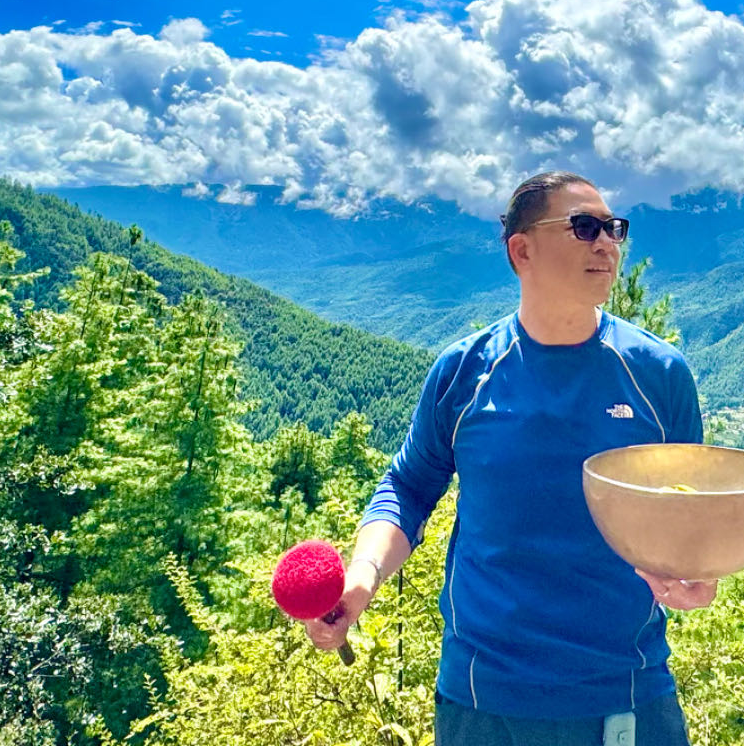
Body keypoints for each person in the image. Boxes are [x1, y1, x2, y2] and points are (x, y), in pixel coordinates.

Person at [305, 171, 712, 745]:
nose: (607, 243)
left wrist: (700, 573)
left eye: (614, 228)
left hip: (624, 691)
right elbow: (409, 488)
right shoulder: (463, 372)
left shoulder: (659, 375)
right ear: (522, 251)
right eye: (584, 227)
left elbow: (692, 511)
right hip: (482, 699)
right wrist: (362, 578)